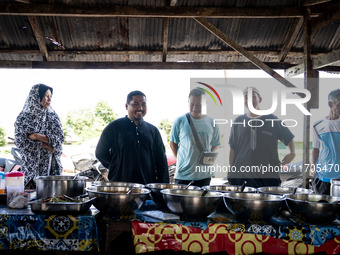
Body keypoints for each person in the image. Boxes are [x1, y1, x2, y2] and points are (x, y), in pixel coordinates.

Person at [95, 90, 169, 184]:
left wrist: (163, 185)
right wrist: (117, 165)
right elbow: (100, 153)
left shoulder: (153, 130)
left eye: (143, 104)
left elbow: (161, 160)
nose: (140, 108)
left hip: (147, 185)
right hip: (120, 185)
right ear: (127, 106)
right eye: (136, 104)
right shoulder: (114, 127)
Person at [227, 87, 295, 188]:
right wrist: (231, 171)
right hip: (242, 177)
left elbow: (289, 138)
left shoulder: (272, 119)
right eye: (246, 97)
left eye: (252, 96)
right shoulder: (238, 121)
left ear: (260, 99)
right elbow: (233, 148)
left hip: (267, 177)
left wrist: (292, 153)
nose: (249, 100)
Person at [15, 84, 64, 188]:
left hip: (51, 170)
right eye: (46, 96)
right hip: (30, 171)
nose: (49, 99)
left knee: (51, 200)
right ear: (36, 97)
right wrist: (46, 145)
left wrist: (37, 136)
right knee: (30, 201)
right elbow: (20, 142)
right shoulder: (24, 117)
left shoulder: (53, 117)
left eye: (51, 96)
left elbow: (59, 139)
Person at [170, 88, 221, 187]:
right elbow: (173, 144)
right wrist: (182, 160)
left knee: (202, 202)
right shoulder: (179, 121)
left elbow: (215, 145)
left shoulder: (212, 122)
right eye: (192, 104)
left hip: (204, 175)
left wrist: (205, 157)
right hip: (183, 175)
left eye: (199, 105)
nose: (195, 108)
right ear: (188, 102)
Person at [312, 89, 340, 195]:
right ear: (330, 104)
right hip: (323, 175)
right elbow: (315, 149)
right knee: (323, 206)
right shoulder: (317, 125)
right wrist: (314, 168)